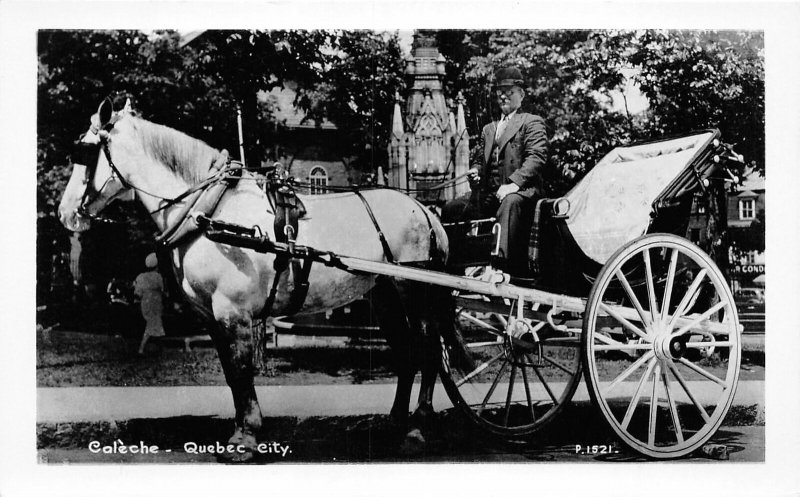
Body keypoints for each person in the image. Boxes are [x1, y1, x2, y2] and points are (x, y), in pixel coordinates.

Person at [442, 65, 549, 276]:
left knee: (509, 203)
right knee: (453, 207)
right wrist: (475, 170)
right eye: (500, 91)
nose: (503, 96)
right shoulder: (488, 129)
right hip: (489, 194)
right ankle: (453, 264)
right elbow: (481, 160)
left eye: (509, 91)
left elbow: (536, 158)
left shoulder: (531, 122)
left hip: (522, 193)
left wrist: (512, 185)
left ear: (521, 94)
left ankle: (500, 267)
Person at [133, 253, 166, 354]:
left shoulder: (141, 277)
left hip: (146, 301)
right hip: (155, 301)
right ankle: (141, 349)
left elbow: (137, 292)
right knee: (153, 324)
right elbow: (163, 289)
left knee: (154, 323)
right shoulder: (158, 276)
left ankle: (160, 348)